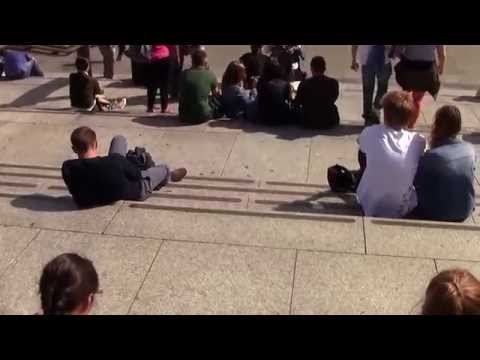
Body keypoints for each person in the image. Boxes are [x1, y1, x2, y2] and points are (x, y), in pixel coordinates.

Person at [62, 126, 187, 208]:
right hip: (132, 191)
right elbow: (136, 175)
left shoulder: (67, 167)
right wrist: (124, 165)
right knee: (163, 169)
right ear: (96, 144)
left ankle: (130, 164)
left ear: (74, 149)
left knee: (118, 140)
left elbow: (73, 190)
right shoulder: (114, 161)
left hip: (88, 200)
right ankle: (168, 176)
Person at [356, 90, 426, 218]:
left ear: (385, 114)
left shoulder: (370, 132)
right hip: (401, 208)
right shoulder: (418, 140)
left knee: (364, 153)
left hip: (369, 204)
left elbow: (361, 148)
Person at [410, 105, 475, 222]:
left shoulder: (433, 156)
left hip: (437, 213)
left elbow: (416, 183)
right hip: (465, 210)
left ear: (437, 126)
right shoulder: (470, 149)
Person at [392, 45, 446, 128]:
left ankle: (402, 122)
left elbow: (398, 51)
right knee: (417, 100)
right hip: (426, 70)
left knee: (405, 98)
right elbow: (442, 55)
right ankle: (411, 125)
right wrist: (441, 67)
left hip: (409, 68)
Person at [293, 56, 340, 129]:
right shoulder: (333, 83)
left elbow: (297, 103)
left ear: (311, 68)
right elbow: (333, 98)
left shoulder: (304, 84)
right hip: (328, 120)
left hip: (308, 121)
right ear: (324, 68)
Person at [351, 45, 392, 126]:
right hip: (379, 62)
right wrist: (354, 60)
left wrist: (354, 59)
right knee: (380, 89)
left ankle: (371, 114)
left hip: (372, 62)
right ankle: (373, 112)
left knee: (369, 91)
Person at [178, 49, 220, 124]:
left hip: (183, 116)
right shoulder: (210, 74)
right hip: (203, 116)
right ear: (205, 61)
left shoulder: (184, 74)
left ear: (192, 61)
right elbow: (216, 94)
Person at [256, 58, 293, 125]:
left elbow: (260, 100)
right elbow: (289, 100)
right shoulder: (285, 84)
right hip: (283, 118)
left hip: (266, 119)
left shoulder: (263, 84)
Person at [146, 45, 171, 113]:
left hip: (153, 57)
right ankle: (164, 107)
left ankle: (150, 107)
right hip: (164, 56)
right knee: (164, 85)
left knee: (152, 85)